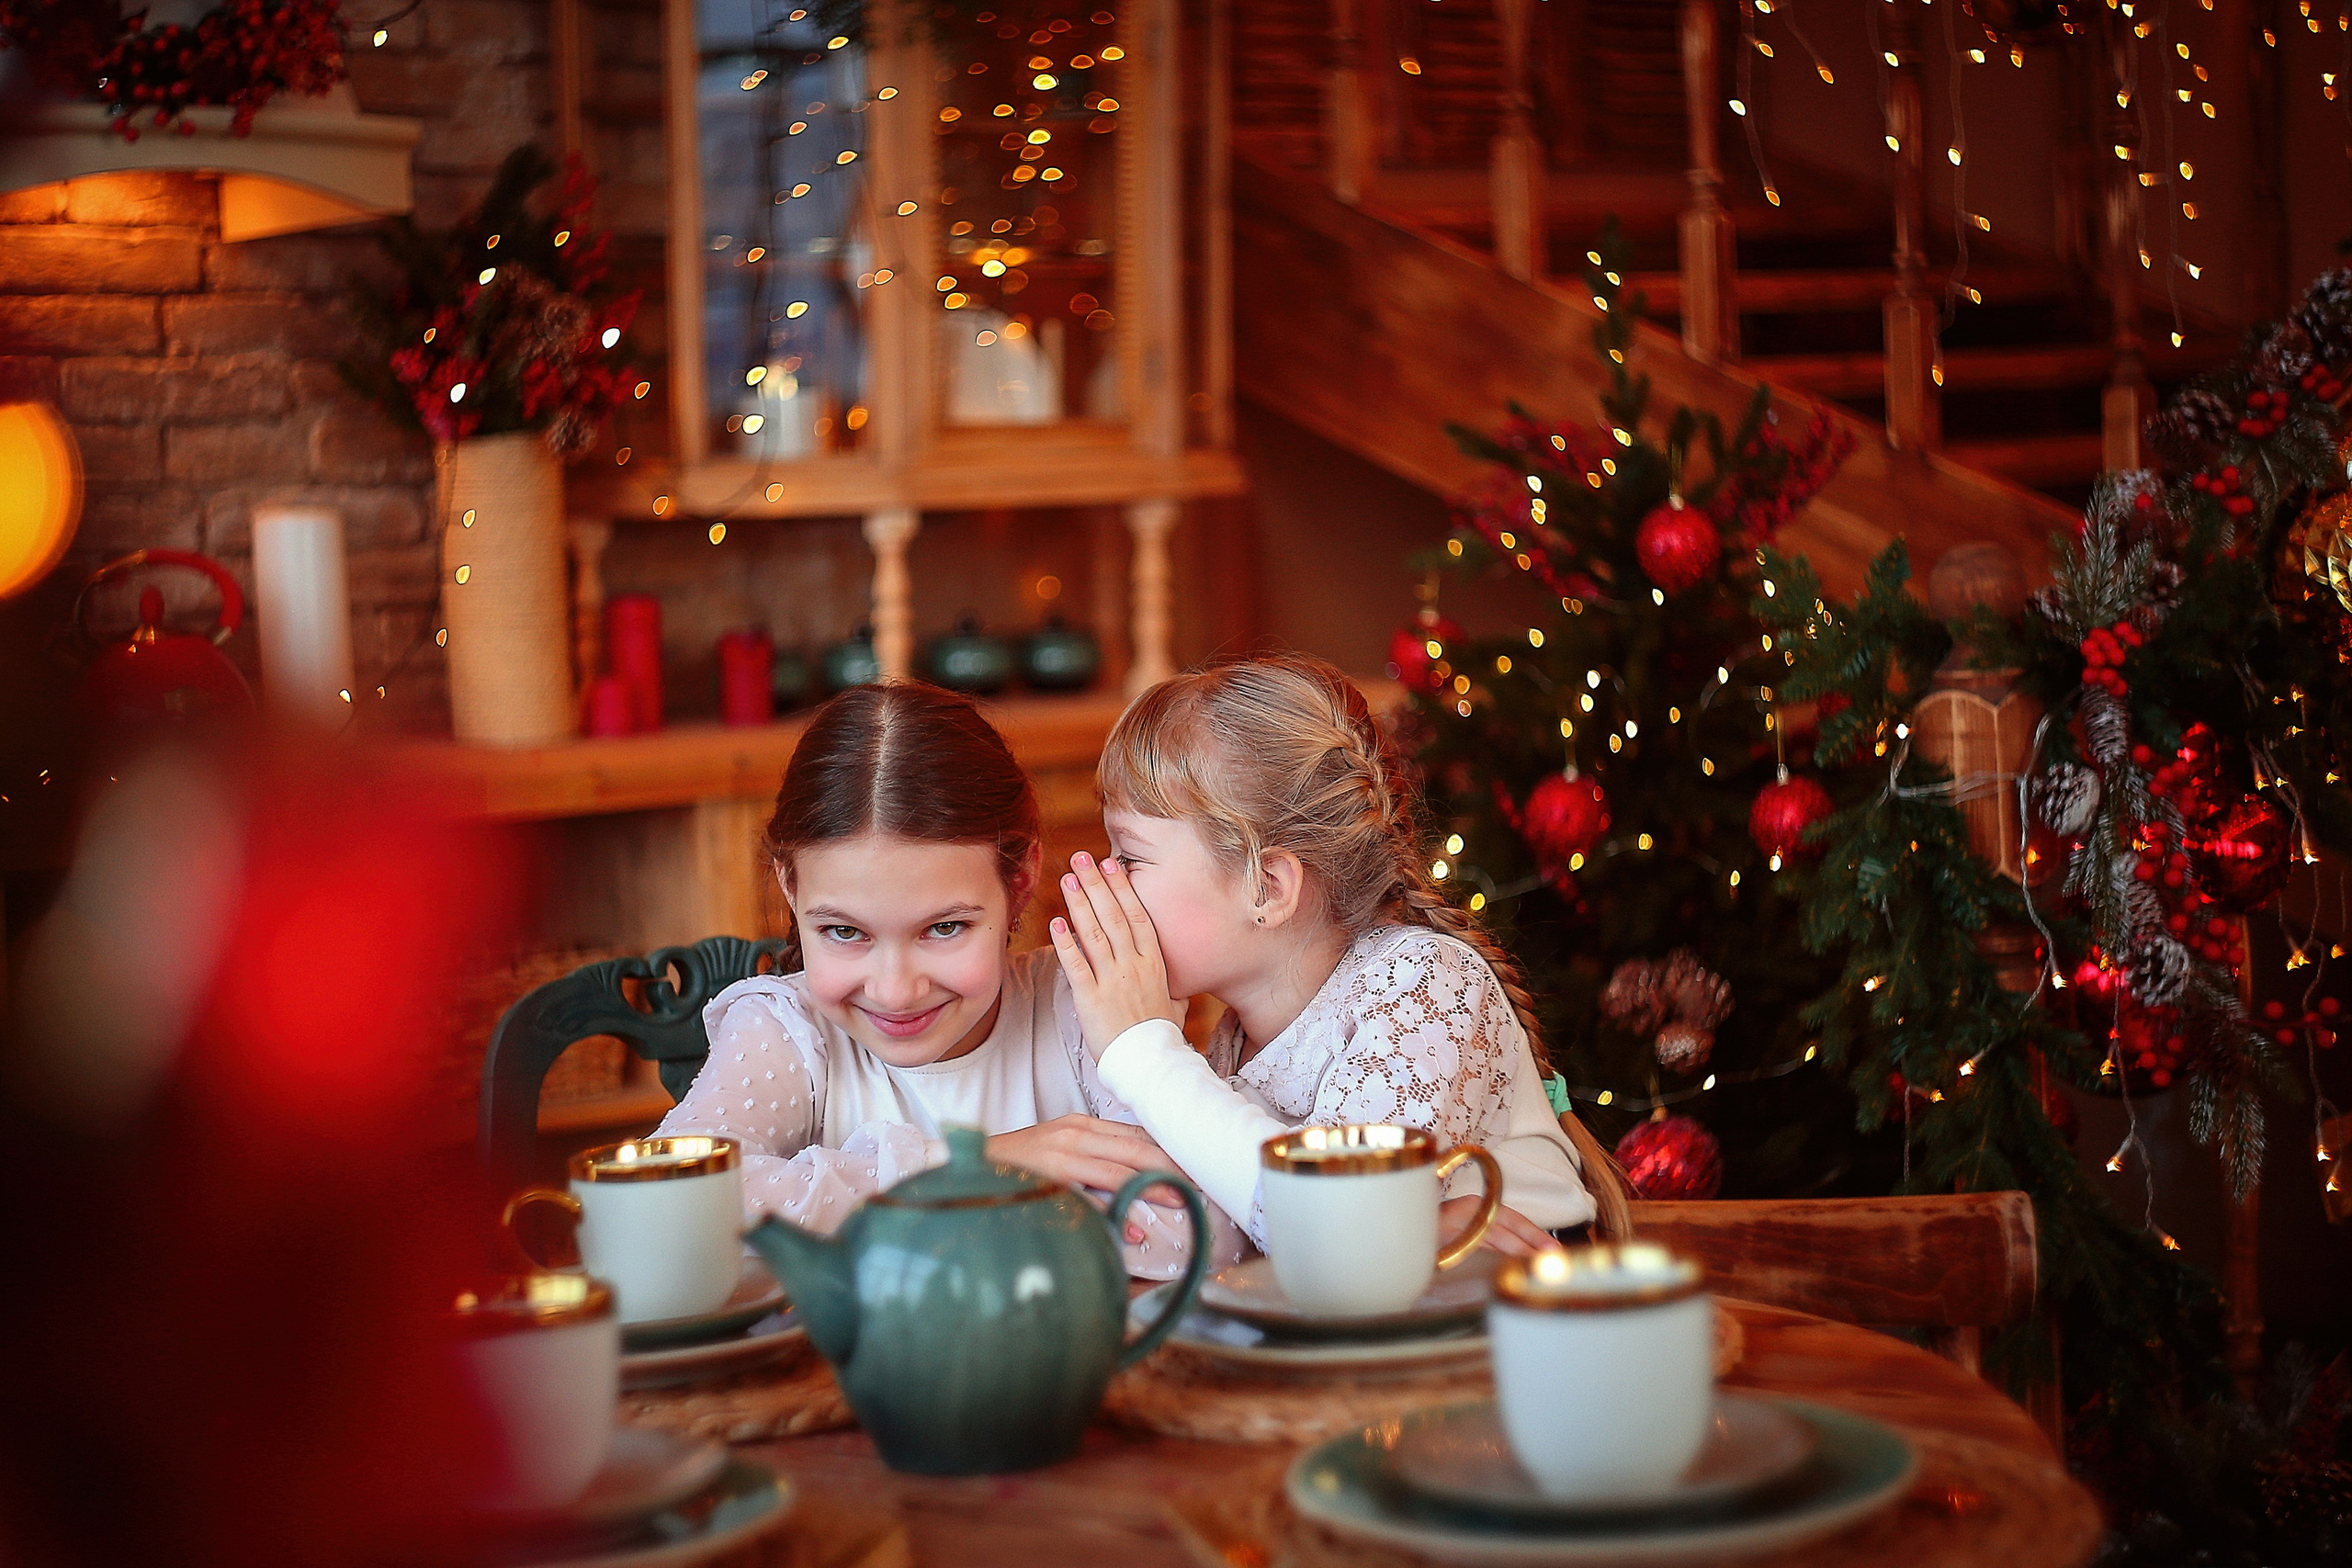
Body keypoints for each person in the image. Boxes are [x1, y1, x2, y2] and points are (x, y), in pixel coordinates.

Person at [1049, 653, 1632, 1256]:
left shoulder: (1425, 987)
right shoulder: (1230, 1044)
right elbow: (1180, 1242)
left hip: (1534, 1319)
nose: (1104, 882)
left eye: (1130, 857)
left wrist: (1146, 1056)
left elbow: (1332, 1231)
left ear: (1267, 887)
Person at [655, 681, 1238, 1278]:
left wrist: (870, 1212)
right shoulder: (786, 1029)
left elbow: (1209, 1230)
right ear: (790, 887)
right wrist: (972, 1171)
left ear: (1019, 881)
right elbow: (667, 1203)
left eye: (944, 927)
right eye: (845, 933)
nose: (894, 989)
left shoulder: (1082, 1006)